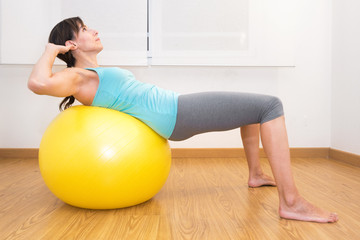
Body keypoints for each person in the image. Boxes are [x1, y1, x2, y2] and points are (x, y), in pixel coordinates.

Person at [28, 17, 338, 223]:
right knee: (270, 106)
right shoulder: (78, 76)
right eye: (84, 29)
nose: (93, 30)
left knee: (252, 108)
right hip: (177, 114)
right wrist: (49, 51)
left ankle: (256, 174)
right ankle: (292, 202)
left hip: (174, 111)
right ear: (72, 45)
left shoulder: (89, 74)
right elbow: (39, 84)